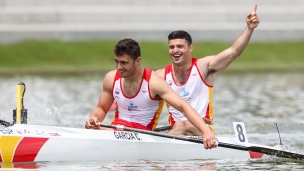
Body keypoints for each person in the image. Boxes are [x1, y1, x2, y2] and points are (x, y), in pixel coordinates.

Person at [85, 38, 217, 149]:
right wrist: (93, 119)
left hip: (141, 134)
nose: (119, 67)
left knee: (182, 125)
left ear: (137, 60)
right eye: (116, 62)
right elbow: (101, 108)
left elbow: (183, 107)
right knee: (91, 129)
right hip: (115, 129)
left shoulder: (154, 82)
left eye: (124, 63)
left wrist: (206, 132)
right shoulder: (111, 78)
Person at [155, 5, 260, 136]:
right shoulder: (161, 75)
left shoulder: (203, 67)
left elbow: (233, 52)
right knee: (181, 124)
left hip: (203, 132)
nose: (175, 50)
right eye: (171, 47)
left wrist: (249, 29)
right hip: (177, 131)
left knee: (184, 124)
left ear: (190, 48)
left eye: (180, 46)